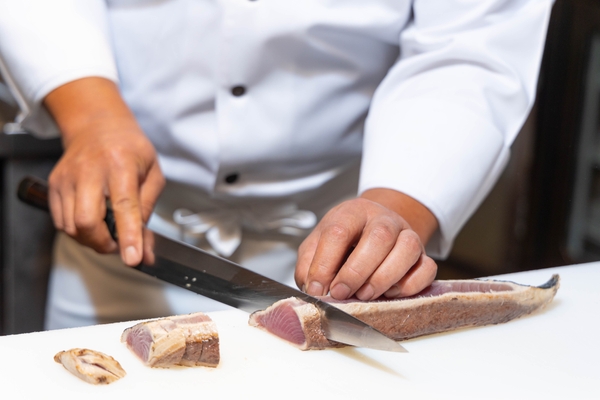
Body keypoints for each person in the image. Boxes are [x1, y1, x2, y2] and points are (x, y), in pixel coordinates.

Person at [0, 0, 554, 330]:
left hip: (337, 264)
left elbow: (470, 46)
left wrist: (395, 207)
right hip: (131, 241)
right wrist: (92, 116)